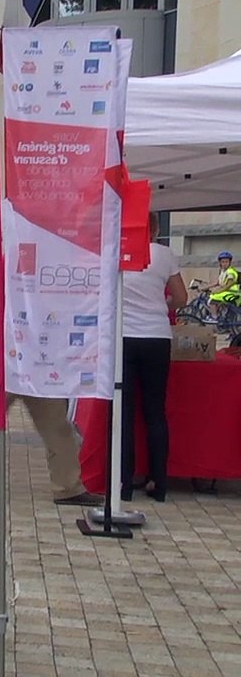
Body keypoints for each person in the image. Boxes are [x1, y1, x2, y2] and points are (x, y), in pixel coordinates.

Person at [120, 215, 188, 502]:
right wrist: (163, 304)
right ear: (157, 230)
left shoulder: (118, 251)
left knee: (123, 413)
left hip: (123, 337)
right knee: (155, 413)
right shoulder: (164, 254)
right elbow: (182, 297)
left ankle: (123, 483)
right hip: (157, 337)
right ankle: (158, 483)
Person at [205, 250, 239, 321]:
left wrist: (218, 291)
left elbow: (229, 285)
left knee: (212, 300)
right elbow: (218, 283)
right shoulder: (223, 271)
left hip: (232, 293)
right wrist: (206, 287)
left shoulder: (231, 272)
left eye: (226, 262)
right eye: (223, 262)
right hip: (226, 292)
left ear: (230, 262)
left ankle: (214, 317)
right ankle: (222, 317)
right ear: (220, 262)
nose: (224, 264)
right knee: (215, 299)